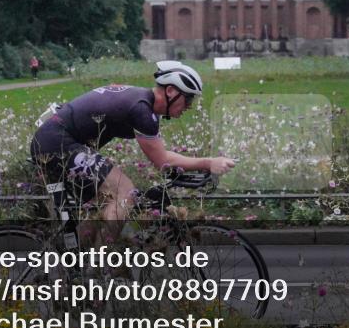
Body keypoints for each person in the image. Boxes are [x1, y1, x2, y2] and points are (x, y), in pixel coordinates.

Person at [30, 60, 235, 246]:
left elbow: (159, 154)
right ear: (171, 91)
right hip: (57, 142)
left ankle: (74, 260)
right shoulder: (141, 109)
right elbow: (162, 161)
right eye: (188, 99)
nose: (189, 107)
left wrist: (183, 170)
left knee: (109, 206)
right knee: (125, 192)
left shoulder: (143, 104)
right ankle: (100, 268)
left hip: (55, 140)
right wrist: (209, 163)